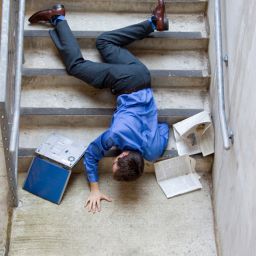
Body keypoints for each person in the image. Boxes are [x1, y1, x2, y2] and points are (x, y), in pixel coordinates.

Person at [29, 0, 170, 213]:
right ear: (123, 156)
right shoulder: (115, 135)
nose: (113, 157)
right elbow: (92, 154)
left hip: (142, 75)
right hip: (125, 83)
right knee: (76, 66)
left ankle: (153, 23)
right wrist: (94, 188)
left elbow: (164, 128)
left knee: (104, 42)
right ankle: (57, 17)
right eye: (115, 160)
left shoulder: (153, 151)